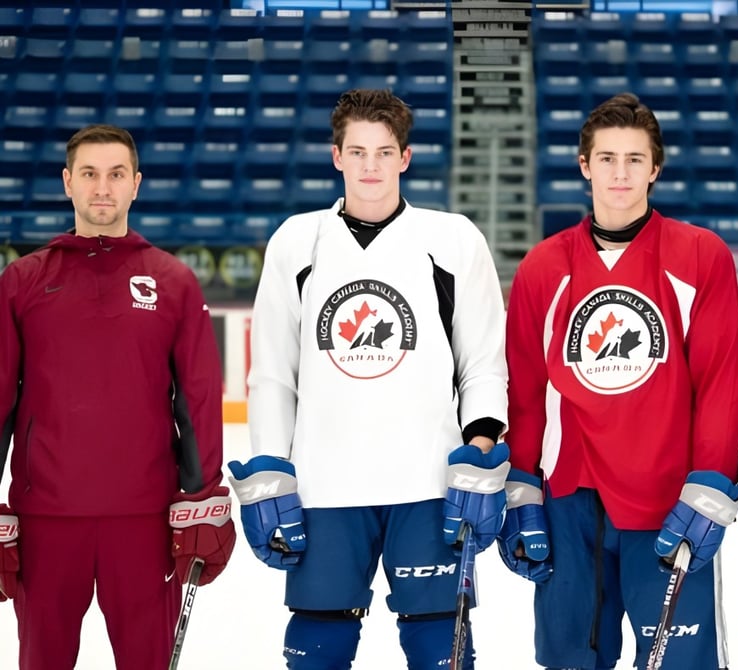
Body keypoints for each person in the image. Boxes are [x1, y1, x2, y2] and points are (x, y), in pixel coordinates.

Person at [231, 88, 509, 669]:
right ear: (337, 156)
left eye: (384, 152)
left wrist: (480, 453)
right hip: (325, 485)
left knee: (441, 641)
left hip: (428, 484)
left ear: (405, 158)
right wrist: (270, 468)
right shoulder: (296, 241)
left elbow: (482, 362)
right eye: (357, 152)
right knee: (318, 644)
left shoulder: (453, 239)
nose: (370, 166)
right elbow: (274, 373)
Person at [501, 92, 738, 669]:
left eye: (635, 159)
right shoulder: (543, 266)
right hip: (571, 503)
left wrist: (711, 481)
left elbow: (722, 380)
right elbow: (527, 389)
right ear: (584, 165)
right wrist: (522, 490)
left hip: (671, 501)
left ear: (655, 169)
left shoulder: (698, 255)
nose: (620, 172)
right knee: (570, 660)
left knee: (679, 663)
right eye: (607, 158)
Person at [0, 124, 236, 669]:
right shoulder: (22, 281)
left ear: (136, 184)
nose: (101, 187)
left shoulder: (173, 281)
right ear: (67, 183)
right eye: (88, 174)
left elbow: (197, 399)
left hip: (145, 521)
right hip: (46, 520)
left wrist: (200, 497)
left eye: (115, 174)